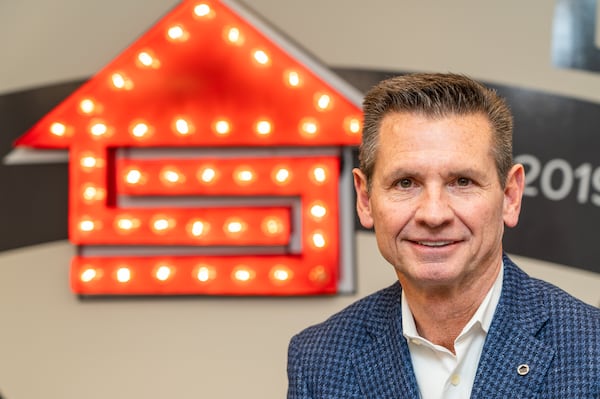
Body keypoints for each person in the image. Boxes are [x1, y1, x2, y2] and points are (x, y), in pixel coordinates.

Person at [286, 73, 600, 398]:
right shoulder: (319, 360)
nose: (434, 215)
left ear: (510, 196)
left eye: (462, 181)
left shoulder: (592, 351)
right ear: (365, 200)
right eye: (405, 182)